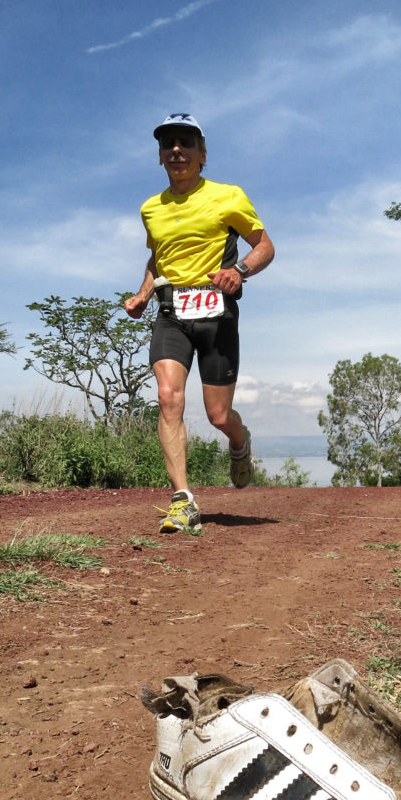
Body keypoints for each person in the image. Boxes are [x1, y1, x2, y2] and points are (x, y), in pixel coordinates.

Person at [124, 113, 275, 534]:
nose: (177, 149)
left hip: (216, 313)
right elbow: (159, 258)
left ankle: (239, 442)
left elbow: (265, 246)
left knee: (218, 415)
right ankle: (182, 500)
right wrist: (142, 294)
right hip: (171, 312)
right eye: (168, 143)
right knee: (168, 396)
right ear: (159, 156)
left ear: (202, 154)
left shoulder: (228, 196)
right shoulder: (151, 209)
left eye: (186, 142)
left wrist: (239, 271)